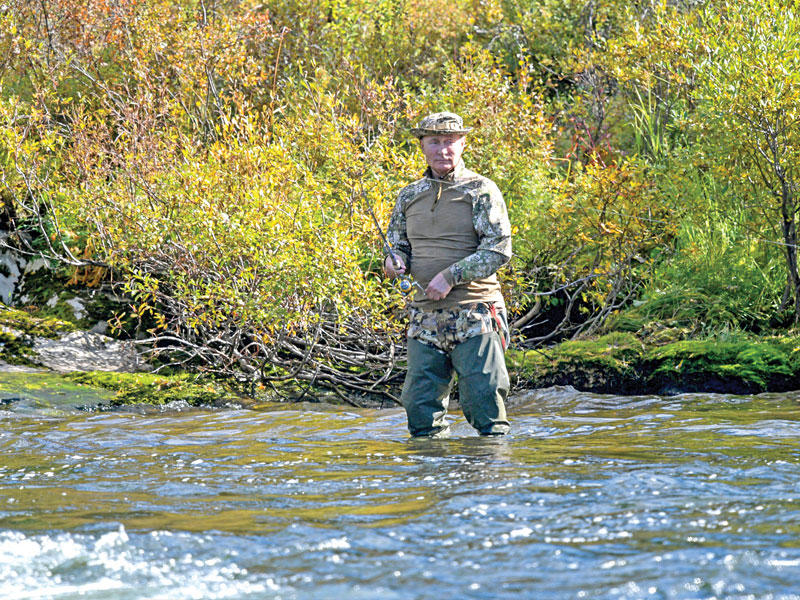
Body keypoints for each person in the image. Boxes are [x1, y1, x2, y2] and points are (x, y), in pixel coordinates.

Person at [384, 111, 512, 437]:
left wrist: (451, 276)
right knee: (420, 410)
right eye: (435, 142)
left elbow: (497, 250)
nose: (443, 150)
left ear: (463, 144)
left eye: (450, 142)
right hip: (424, 317)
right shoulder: (409, 195)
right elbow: (397, 247)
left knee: (485, 405)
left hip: (477, 313)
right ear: (422, 146)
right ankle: (436, 480)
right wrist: (393, 261)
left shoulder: (481, 190)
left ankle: (489, 478)